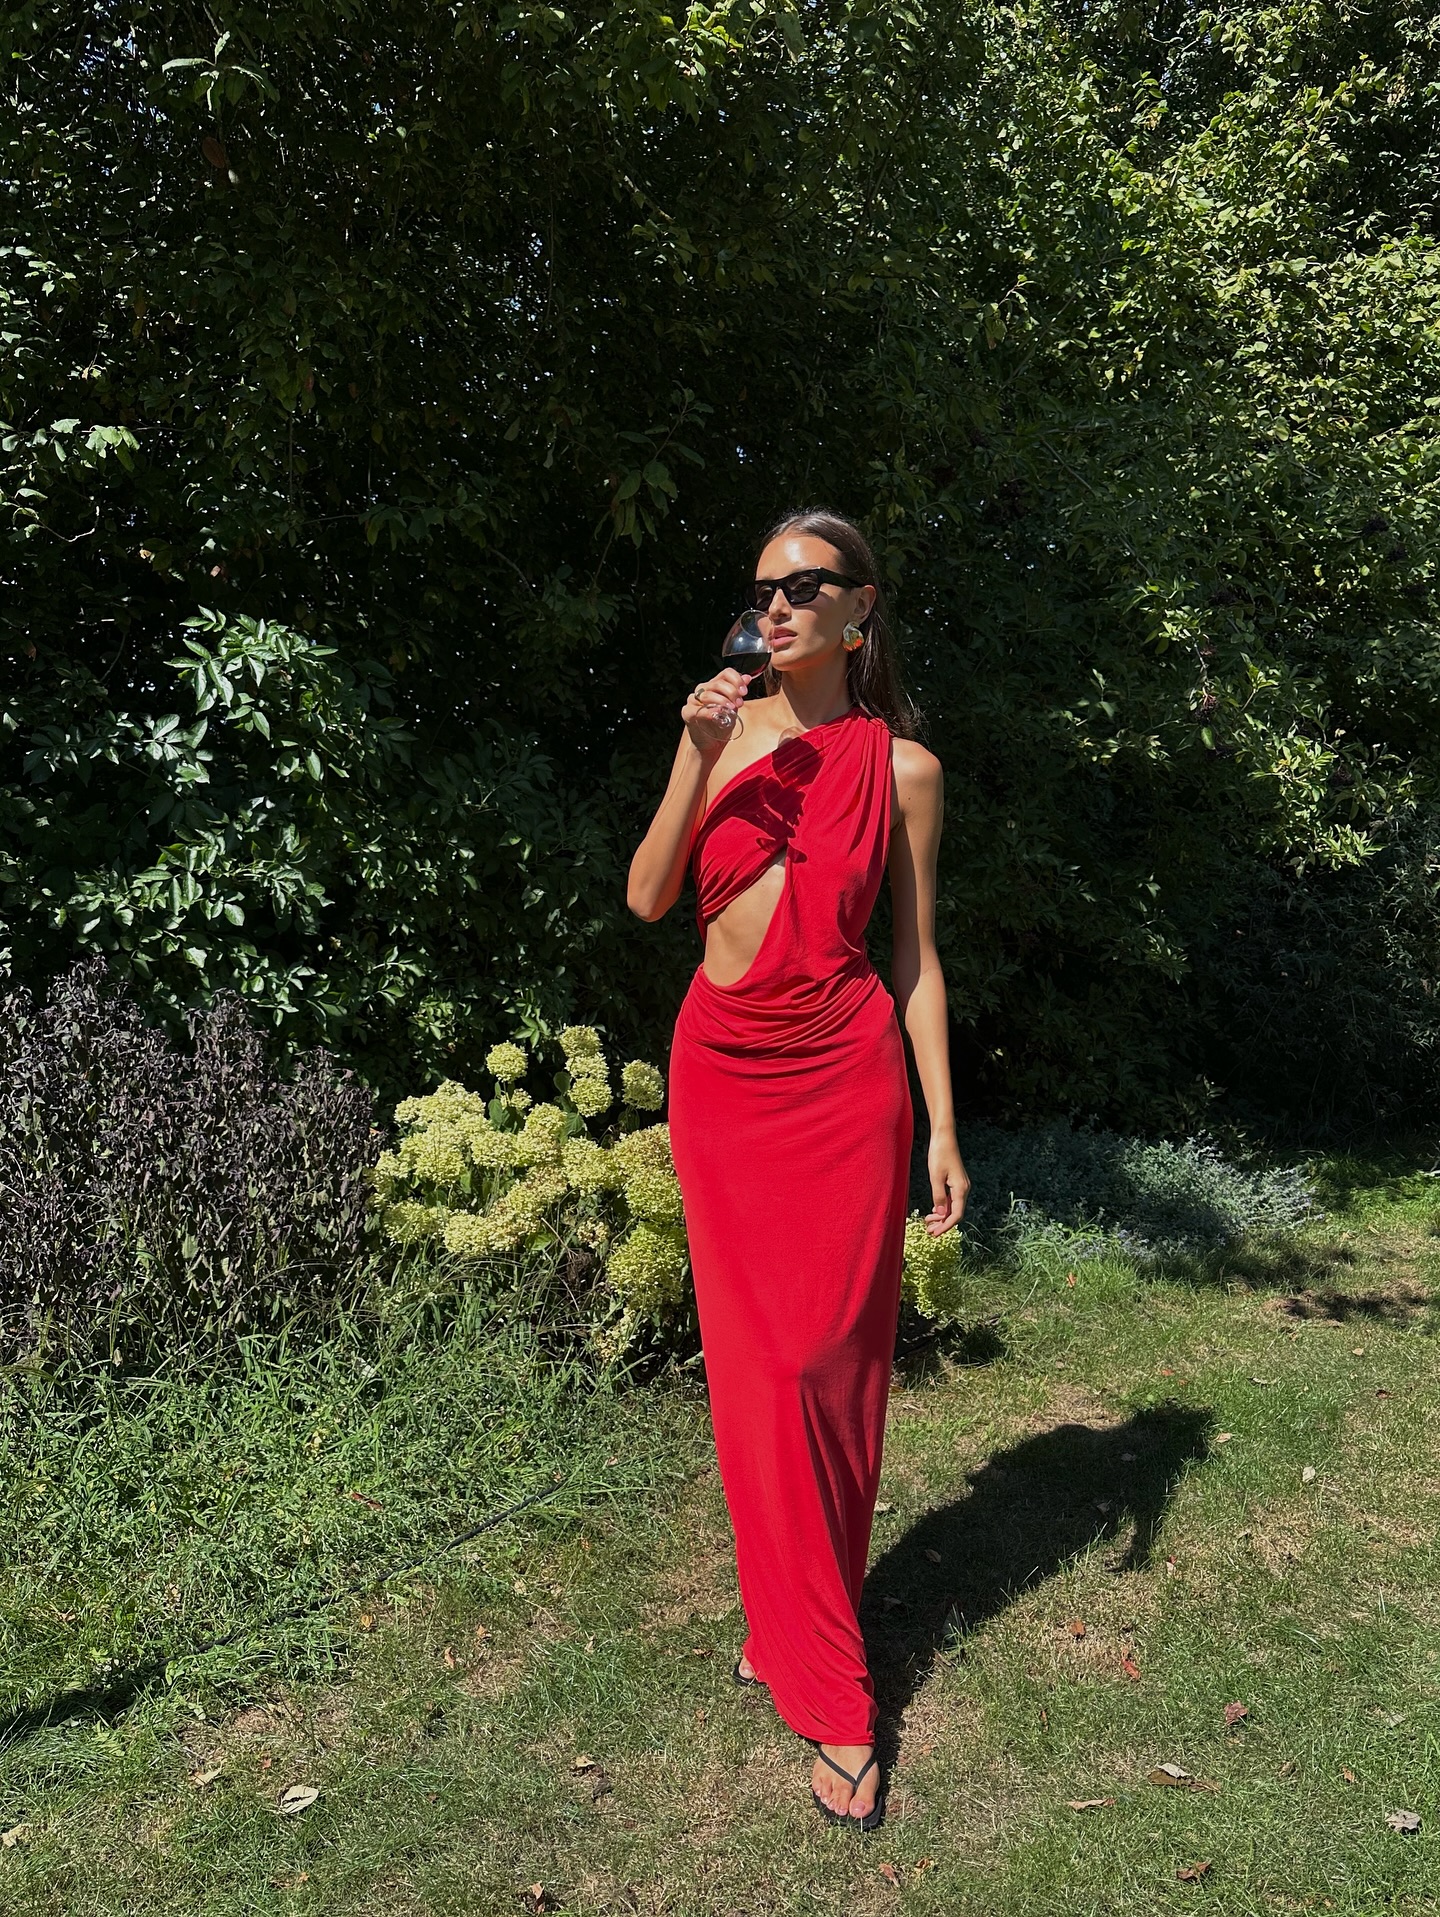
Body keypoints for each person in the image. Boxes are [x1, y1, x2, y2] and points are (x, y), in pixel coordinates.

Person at [626, 507, 968, 1830]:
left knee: (833, 1367)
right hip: (725, 1076)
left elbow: (915, 961)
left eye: (807, 584)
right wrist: (692, 752)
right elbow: (650, 897)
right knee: (759, 1374)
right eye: (764, 585)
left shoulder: (905, 771)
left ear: (860, 607)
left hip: (844, 1080)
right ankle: (824, 1675)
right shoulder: (718, 732)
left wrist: (941, 1126)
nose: (777, 604)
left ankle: (800, 1634)